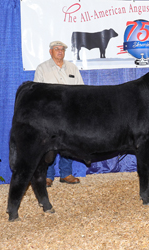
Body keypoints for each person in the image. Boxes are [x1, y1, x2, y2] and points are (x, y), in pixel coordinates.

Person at [34, 41, 84, 187]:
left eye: (62, 49)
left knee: (68, 142)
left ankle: (66, 173)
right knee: (50, 144)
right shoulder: (42, 68)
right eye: (57, 49)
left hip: (69, 113)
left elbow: (81, 90)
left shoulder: (72, 67)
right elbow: (37, 92)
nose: (60, 51)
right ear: (50, 51)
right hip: (50, 114)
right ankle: (48, 175)